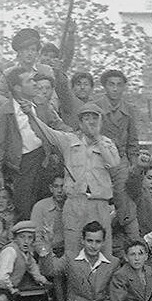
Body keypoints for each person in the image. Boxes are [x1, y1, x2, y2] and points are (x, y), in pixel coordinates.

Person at [23, 99, 122, 256]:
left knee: (103, 252)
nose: (91, 121)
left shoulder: (108, 144)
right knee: (73, 251)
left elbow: (114, 164)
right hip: (75, 203)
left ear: (100, 121)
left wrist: (98, 140)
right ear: (80, 123)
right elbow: (46, 133)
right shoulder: (68, 140)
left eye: (95, 118)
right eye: (86, 118)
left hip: (100, 204)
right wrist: (30, 114)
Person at [0, 66, 70, 218]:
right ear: (18, 88)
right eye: (30, 80)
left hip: (46, 160)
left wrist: (72, 133)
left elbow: (56, 124)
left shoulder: (41, 104)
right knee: (25, 207)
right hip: (22, 166)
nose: (35, 84)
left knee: (49, 202)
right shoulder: (1, 114)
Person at [0, 220, 49, 293]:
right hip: (1, 291)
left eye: (30, 238)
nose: (26, 241)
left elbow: (33, 267)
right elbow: (2, 278)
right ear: (15, 238)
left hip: (13, 288)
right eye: (22, 237)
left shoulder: (27, 253)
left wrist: (44, 281)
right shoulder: (10, 251)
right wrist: (11, 289)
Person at [31, 171, 66, 256]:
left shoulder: (72, 207)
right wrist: (45, 253)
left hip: (68, 251)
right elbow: (36, 237)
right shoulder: (40, 207)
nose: (60, 191)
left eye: (63, 186)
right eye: (56, 186)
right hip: (47, 251)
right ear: (51, 188)